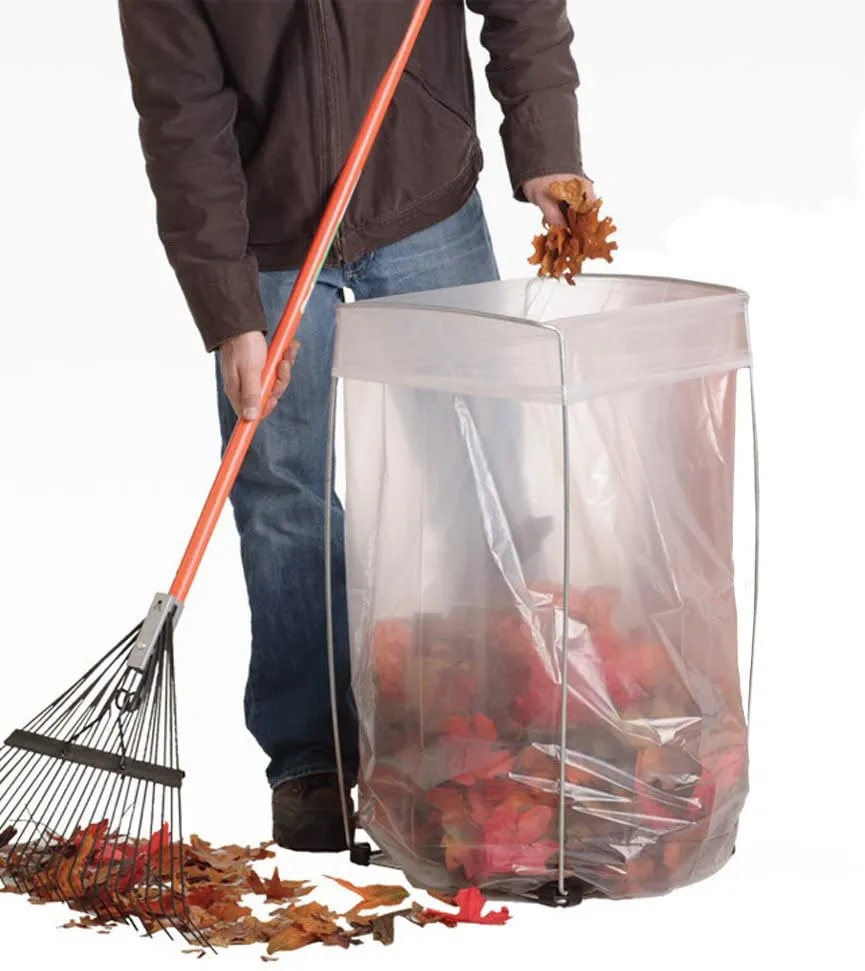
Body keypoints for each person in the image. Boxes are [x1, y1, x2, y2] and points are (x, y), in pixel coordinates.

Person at [117, 0, 594, 853]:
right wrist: (231, 313)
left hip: (423, 202)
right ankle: (312, 752)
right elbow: (181, 117)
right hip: (269, 243)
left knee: (479, 471)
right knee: (282, 493)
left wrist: (547, 148)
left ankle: (497, 729)